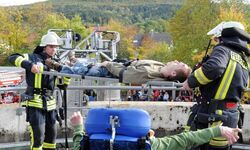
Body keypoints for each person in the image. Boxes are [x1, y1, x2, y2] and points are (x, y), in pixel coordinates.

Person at [182, 21, 250, 150]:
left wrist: (190, 82)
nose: (214, 42)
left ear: (221, 36)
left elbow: (215, 68)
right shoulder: (243, 59)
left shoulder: (223, 49)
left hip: (209, 116)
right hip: (229, 116)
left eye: (215, 39)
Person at [8, 32, 71, 150]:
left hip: (51, 104)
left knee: (51, 139)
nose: (54, 49)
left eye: (56, 47)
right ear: (44, 47)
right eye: (51, 46)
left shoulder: (56, 62)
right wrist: (29, 66)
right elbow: (12, 57)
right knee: (38, 138)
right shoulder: (31, 57)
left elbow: (63, 86)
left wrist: (66, 74)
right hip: (34, 103)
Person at [70, 111, 241, 150]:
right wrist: (218, 130)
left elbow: (77, 147)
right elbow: (185, 139)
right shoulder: (147, 146)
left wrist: (78, 127)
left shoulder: (89, 144)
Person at [45, 58, 192, 84]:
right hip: (118, 65)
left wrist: (108, 64)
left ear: (173, 73)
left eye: (179, 64)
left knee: (83, 71)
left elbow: (126, 74)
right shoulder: (160, 65)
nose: (177, 61)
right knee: (83, 66)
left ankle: (59, 67)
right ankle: (72, 62)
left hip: (110, 71)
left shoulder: (151, 73)